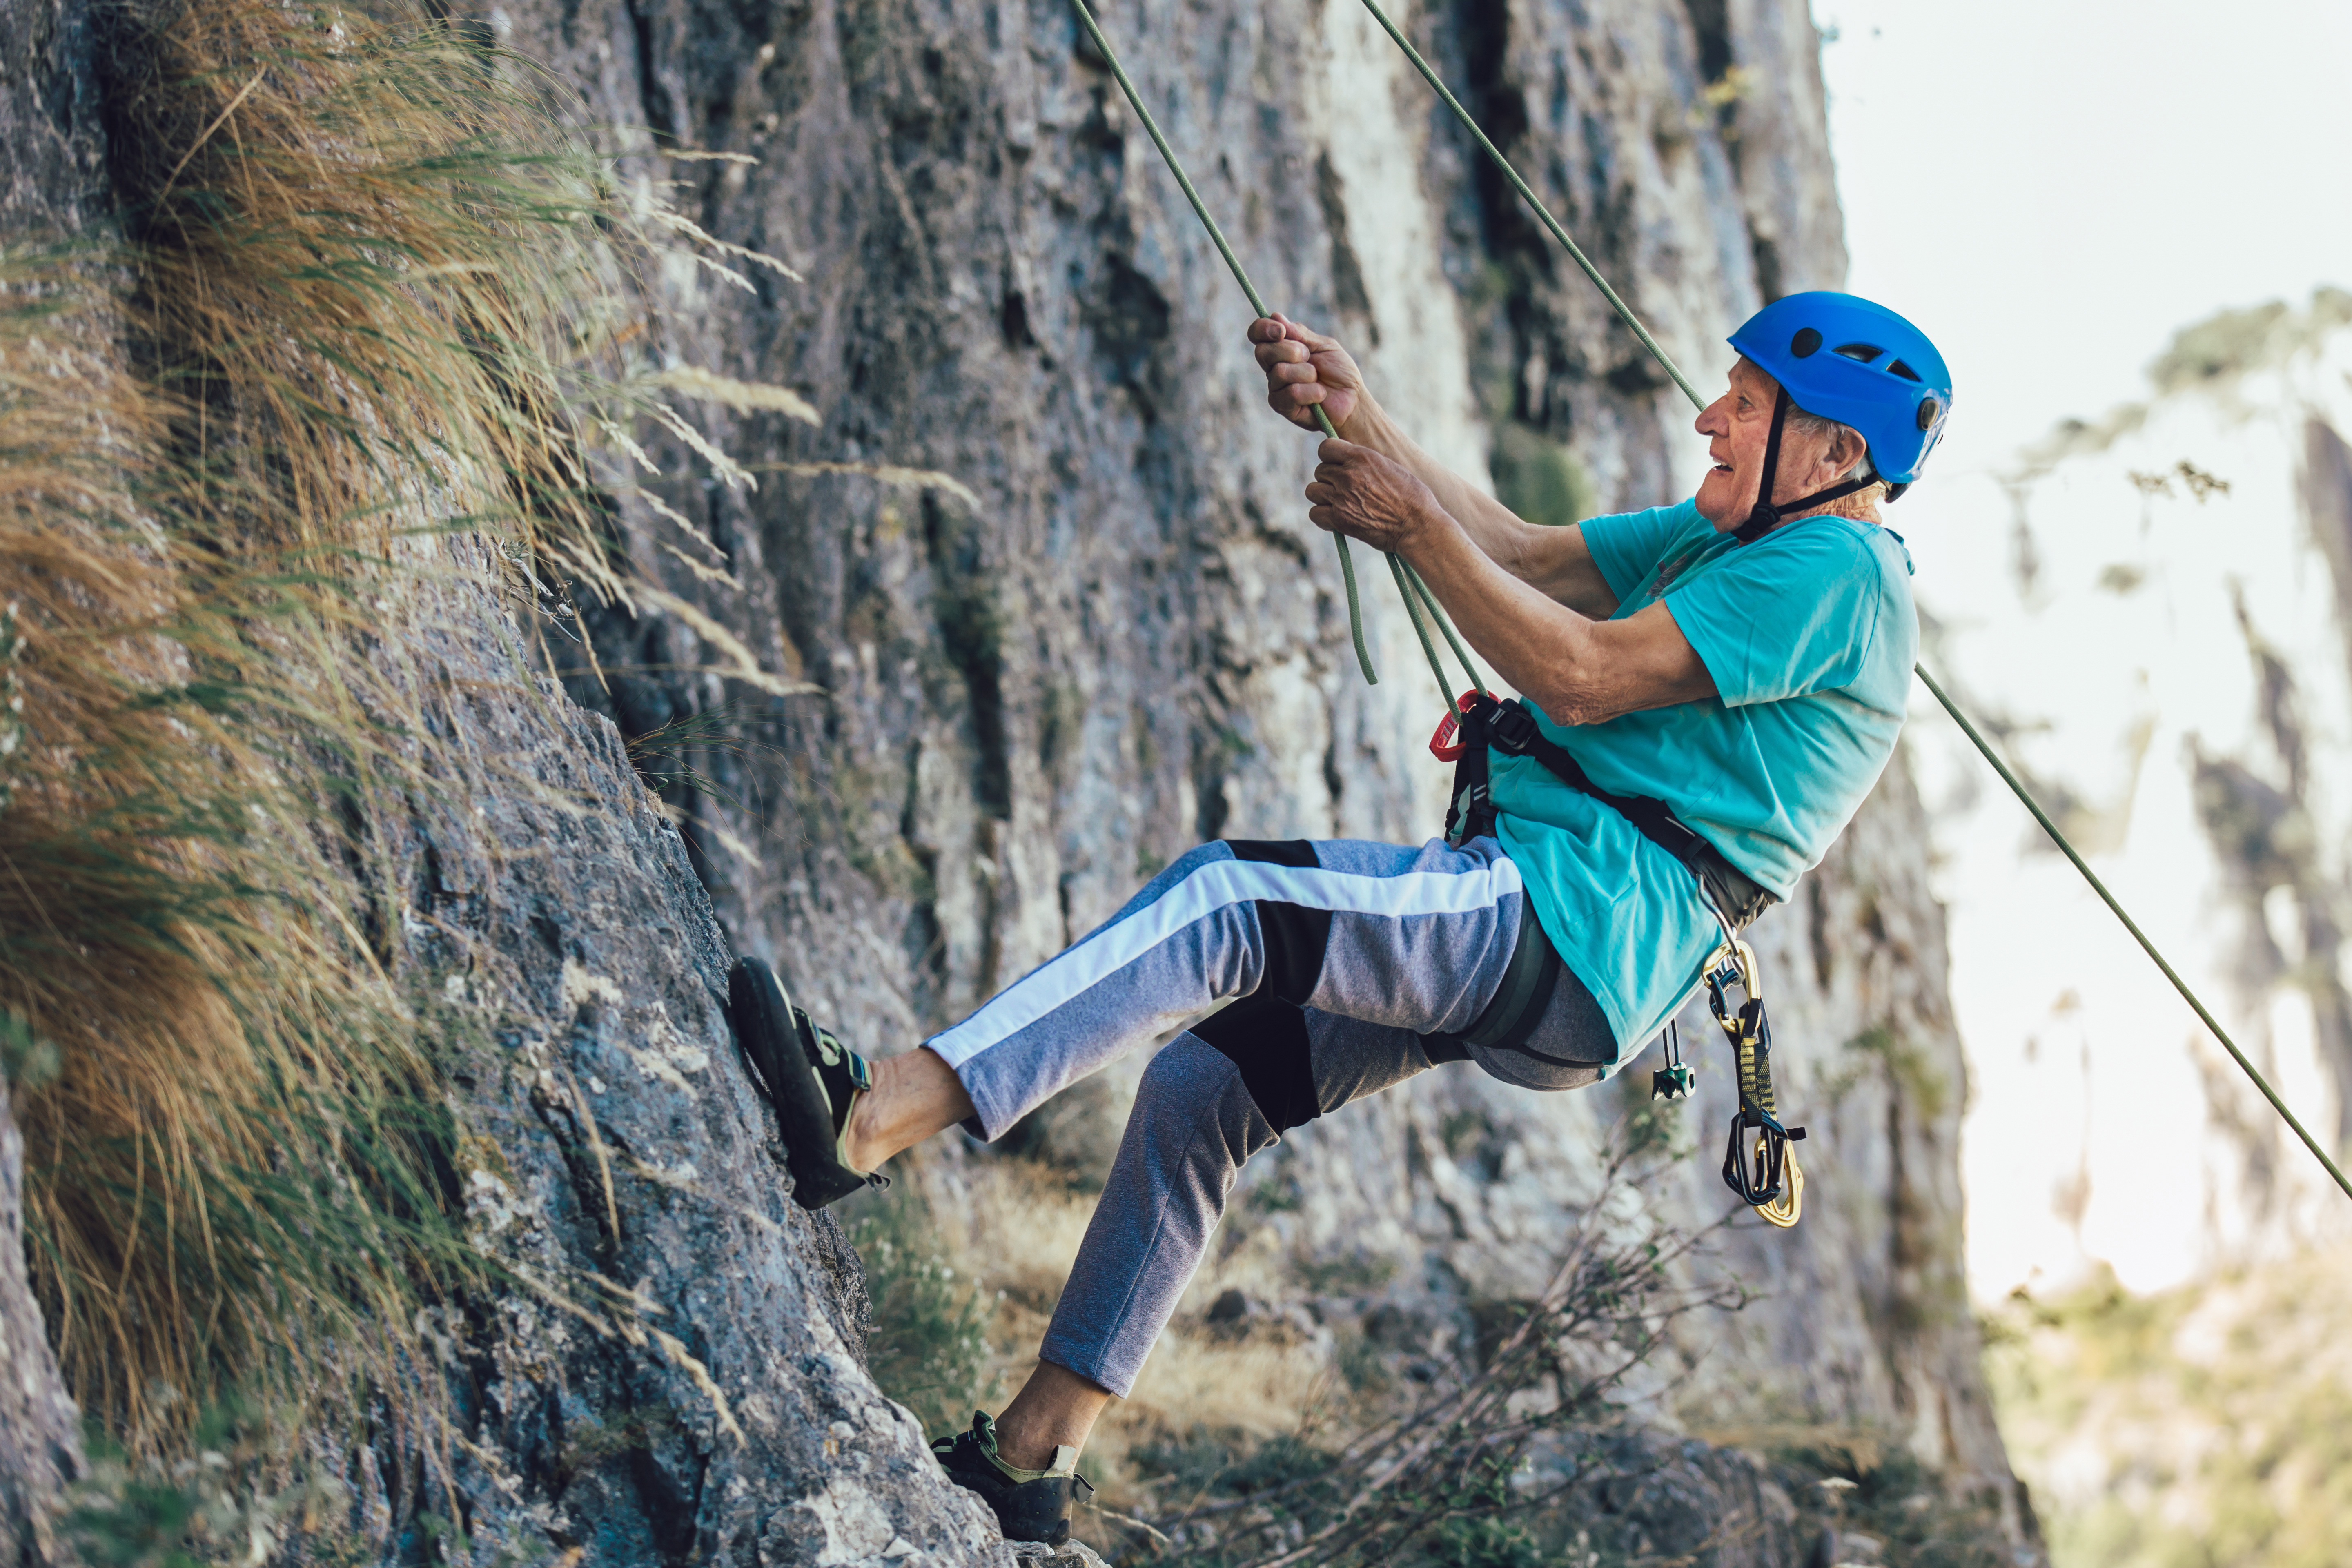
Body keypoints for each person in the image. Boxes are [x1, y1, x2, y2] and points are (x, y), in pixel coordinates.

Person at [728, 291, 1950, 1545]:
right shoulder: (1734, 541)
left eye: (1745, 406)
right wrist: (1363, 416)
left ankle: (871, 1116)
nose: (1710, 420)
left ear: (1837, 454)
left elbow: (1581, 678)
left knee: (1231, 898)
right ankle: (1034, 1458)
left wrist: (1413, 529)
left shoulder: (1836, 571)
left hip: (1562, 917)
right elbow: (1523, 550)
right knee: (1206, 1089)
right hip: (1566, 955)